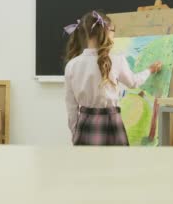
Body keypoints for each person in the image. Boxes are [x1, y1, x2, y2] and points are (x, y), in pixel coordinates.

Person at [63, 10, 162, 145]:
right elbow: (133, 83)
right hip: (112, 124)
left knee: (87, 166)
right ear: (107, 32)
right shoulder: (117, 60)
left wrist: (75, 133)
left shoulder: (72, 65)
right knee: (115, 165)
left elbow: (71, 107)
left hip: (85, 126)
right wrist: (150, 70)